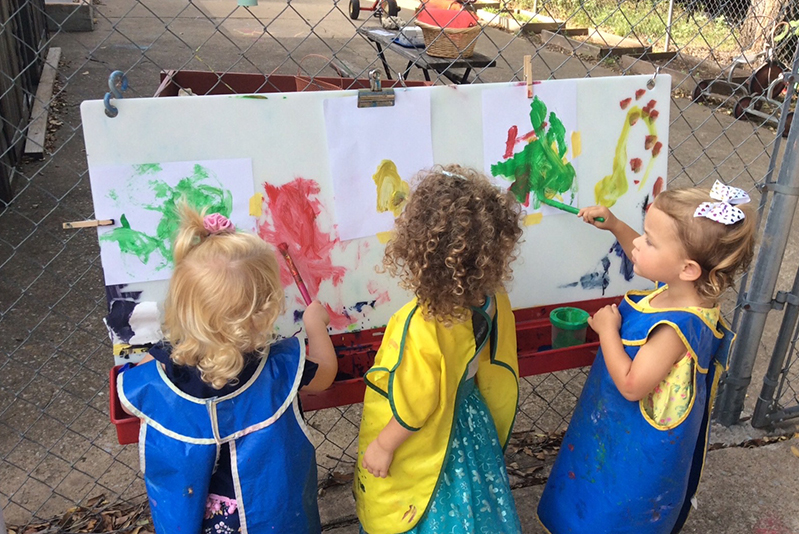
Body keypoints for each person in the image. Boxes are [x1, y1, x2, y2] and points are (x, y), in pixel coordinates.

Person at [537, 181, 756, 533]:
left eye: (649, 241)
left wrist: (608, 330)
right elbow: (655, 265)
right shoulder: (682, 290)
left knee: (611, 510)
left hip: (636, 448)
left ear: (687, 268)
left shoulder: (675, 328)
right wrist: (616, 226)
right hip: (620, 433)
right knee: (592, 492)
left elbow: (631, 384)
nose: (637, 244)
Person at [118, 204, 337, 534]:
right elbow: (324, 376)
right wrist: (315, 325)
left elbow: (127, 397)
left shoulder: (162, 372)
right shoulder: (279, 367)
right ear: (264, 312)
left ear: (181, 307)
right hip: (275, 521)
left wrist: (168, 348)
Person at [354, 165, 525, 534]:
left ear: (420, 253)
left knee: (434, 505)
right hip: (469, 416)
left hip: (431, 435)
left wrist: (383, 446)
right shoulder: (492, 298)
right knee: (475, 502)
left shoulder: (425, 323)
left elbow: (417, 405)